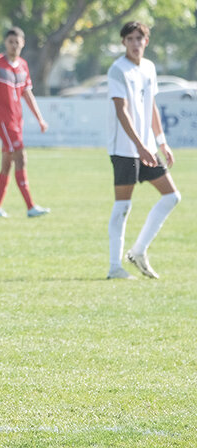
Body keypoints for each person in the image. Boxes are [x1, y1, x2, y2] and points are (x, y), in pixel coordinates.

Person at [106, 21, 180, 280]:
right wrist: (139, 147)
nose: (135, 43)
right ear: (123, 42)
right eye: (130, 38)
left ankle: (138, 251)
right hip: (124, 149)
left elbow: (151, 107)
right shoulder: (118, 70)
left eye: (139, 38)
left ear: (146, 41)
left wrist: (161, 142)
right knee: (123, 206)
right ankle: (114, 266)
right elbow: (121, 110)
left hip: (147, 148)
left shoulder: (149, 67)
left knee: (172, 197)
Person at [0, 26, 50, 218]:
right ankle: (31, 207)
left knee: (7, 163)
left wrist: (40, 118)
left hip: (17, 121)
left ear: (22, 43)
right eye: (10, 42)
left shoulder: (23, 65)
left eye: (17, 42)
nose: (14, 45)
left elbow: (27, 93)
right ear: (5, 43)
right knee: (21, 157)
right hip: (4, 120)